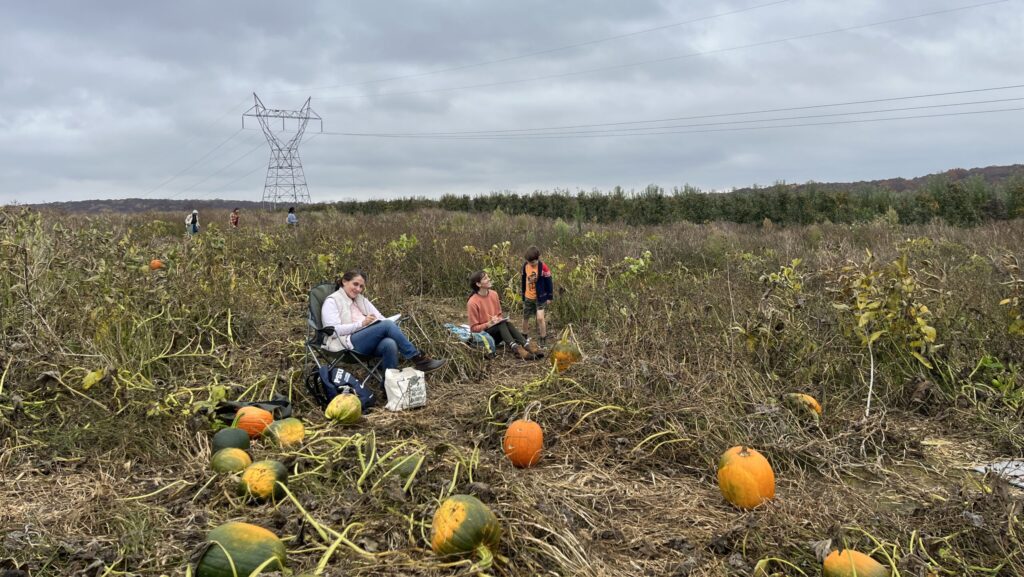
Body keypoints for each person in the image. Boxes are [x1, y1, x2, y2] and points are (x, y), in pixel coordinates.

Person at [321, 269, 445, 372]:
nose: (358, 289)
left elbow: (379, 317)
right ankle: (419, 359)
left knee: (389, 343)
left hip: (365, 341)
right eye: (355, 284)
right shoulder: (332, 301)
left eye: (361, 286)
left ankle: (389, 389)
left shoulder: (360, 299)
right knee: (386, 325)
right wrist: (362, 324)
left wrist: (391, 325)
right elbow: (332, 331)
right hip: (345, 344)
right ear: (344, 282)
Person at [468, 271, 541, 360]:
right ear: (478, 284)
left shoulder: (494, 294)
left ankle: (526, 345)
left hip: (497, 331)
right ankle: (516, 349)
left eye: (488, 277)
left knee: (506, 323)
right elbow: (474, 329)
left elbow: (499, 314)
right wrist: (488, 324)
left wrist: (498, 319)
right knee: (501, 324)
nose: (489, 279)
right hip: (485, 338)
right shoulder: (472, 302)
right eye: (485, 278)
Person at [520, 246, 553, 347]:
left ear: (538, 258)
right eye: (529, 262)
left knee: (540, 318)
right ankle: (524, 336)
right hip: (528, 296)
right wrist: (523, 295)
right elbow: (523, 280)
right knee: (525, 317)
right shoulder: (525, 266)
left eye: (533, 262)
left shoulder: (543, 267)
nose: (531, 264)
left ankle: (543, 338)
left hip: (540, 297)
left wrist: (549, 297)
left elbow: (549, 282)